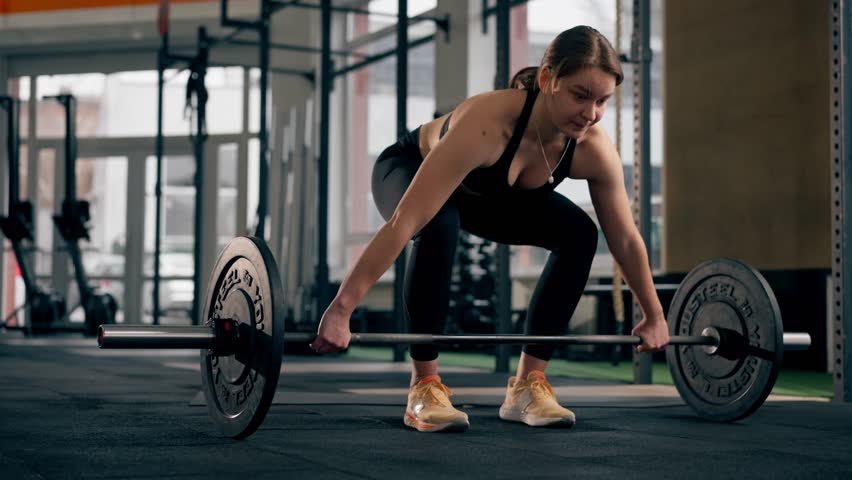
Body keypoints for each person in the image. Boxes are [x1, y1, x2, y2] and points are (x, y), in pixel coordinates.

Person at [310, 25, 670, 433]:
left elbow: (623, 238)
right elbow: (404, 222)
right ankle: (424, 386)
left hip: (492, 199)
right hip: (409, 167)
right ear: (549, 79)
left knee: (580, 234)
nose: (591, 113)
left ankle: (527, 386)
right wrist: (342, 309)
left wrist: (653, 314)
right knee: (437, 223)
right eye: (580, 96)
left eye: (602, 100)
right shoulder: (487, 123)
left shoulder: (591, 148)